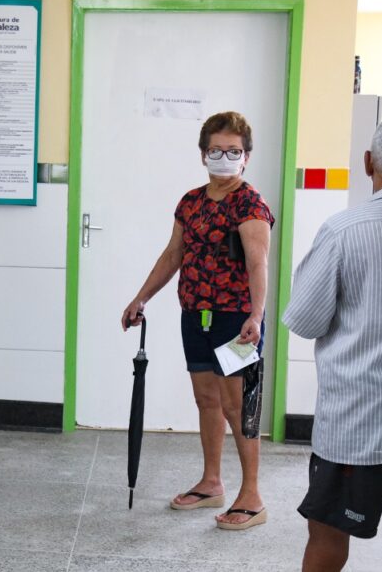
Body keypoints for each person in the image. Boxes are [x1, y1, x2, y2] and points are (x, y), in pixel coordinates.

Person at [282, 112, 382, 571]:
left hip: (357, 421)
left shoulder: (346, 230)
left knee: (327, 537)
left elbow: (304, 320)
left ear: (368, 163)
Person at [121, 111, 274, 530]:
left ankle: (253, 495)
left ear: (246, 157)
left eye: (233, 151)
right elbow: (174, 255)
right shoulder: (191, 201)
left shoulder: (250, 203)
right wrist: (141, 297)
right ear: (203, 153)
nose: (224, 158)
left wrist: (256, 317)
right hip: (197, 315)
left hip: (236, 320)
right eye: (216, 150)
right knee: (207, 400)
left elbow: (259, 263)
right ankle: (211, 482)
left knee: (238, 406)